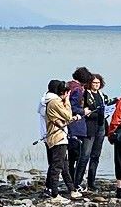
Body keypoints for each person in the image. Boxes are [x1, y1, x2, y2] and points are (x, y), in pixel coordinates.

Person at [65, 66, 94, 198]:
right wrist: (84, 111)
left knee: (71, 157)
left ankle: (71, 183)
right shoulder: (77, 89)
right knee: (75, 156)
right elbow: (72, 106)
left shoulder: (69, 86)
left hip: (70, 126)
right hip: (76, 125)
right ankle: (74, 184)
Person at [78, 73, 109, 193]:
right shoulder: (85, 95)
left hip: (101, 126)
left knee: (95, 156)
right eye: (94, 83)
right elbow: (85, 111)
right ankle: (77, 182)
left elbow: (106, 109)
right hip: (89, 127)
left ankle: (91, 182)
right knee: (84, 155)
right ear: (90, 83)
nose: (96, 85)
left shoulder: (102, 96)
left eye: (98, 83)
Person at [41, 79, 72, 197]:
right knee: (57, 166)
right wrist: (67, 101)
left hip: (55, 136)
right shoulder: (55, 102)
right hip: (58, 137)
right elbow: (68, 116)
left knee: (61, 165)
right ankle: (54, 193)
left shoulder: (48, 101)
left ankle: (67, 189)